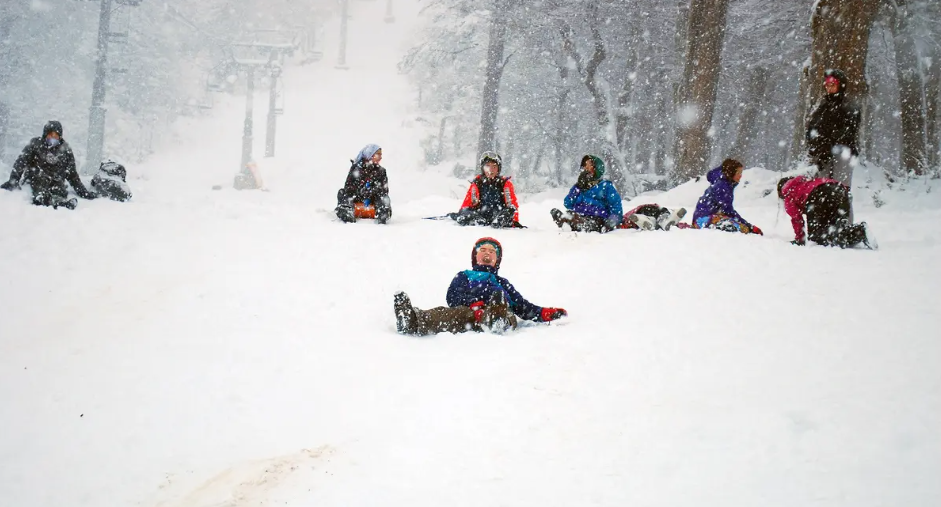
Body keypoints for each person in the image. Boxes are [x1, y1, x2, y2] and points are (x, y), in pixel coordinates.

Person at [393, 237, 567, 336]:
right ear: (475, 257)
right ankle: (412, 320)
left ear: (496, 260)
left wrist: (543, 313)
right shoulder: (464, 275)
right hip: (468, 314)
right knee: (449, 313)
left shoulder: (502, 282)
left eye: (492, 252)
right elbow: (452, 297)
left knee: (502, 307)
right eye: (483, 250)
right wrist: (474, 304)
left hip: (498, 312)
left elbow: (521, 306)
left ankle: (497, 321)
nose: (487, 253)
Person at [1, 120, 97, 209]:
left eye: (56, 136)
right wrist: (13, 180)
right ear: (45, 135)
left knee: (59, 189)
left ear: (60, 137)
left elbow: (72, 175)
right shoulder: (35, 144)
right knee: (40, 179)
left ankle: (59, 202)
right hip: (36, 176)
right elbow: (21, 162)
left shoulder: (65, 150)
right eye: (50, 135)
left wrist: (84, 192)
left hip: (56, 179)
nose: (53, 138)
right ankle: (41, 198)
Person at [777, 175, 875, 249]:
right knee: (835, 229)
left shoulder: (788, 194)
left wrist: (800, 239)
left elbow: (796, 218)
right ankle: (859, 231)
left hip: (817, 195)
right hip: (840, 190)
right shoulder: (806, 182)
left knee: (816, 237)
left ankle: (858, 232)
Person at [806, 69, 860, 187]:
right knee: (821, 189)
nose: (829, 88)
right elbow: (812, 128)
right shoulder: (822, 107)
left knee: (840, 189)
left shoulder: (849, 106)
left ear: (840, 85)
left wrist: (829, 140)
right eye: (827, 85)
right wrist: (816, 144)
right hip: (823, 155)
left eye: (832, 85)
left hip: (842, 153)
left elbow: (848, 131)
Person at [550, 154, 623, 232]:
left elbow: (616, 208)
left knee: (588, 222)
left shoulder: (606, 186)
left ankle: (573, 223)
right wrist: (578, 187)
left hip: (597, 218)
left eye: (589, 165)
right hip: (578, 214)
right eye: (585, 166)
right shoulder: (579, 186)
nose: (586, 168)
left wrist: (610, 223)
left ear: (597, 169)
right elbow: (568, 203)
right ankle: (567, 220)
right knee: (570, 213)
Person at [450, 152, 521, 228]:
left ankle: (497, 222)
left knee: (510, 210)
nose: (491, 170)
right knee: (464, 212)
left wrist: (514, 222)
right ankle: (478, 220)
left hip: (499, 216)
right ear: (483, 168)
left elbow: (512, 206)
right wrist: (466, 213)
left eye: (494, 167)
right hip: (480, 216)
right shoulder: (477, 183)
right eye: (487, 166)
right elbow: (466, 205)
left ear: (498, 169)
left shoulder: (504, 183)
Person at [692, 158, 762, 235]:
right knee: (739, 228)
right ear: (731, 173)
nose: (740, 176)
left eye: (741, 173)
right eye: (738, 173)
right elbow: (728, 211)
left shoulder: (723, 182)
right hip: (704, 220)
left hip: (701, 218)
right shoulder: (722, 187)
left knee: (738, 226)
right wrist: (749, 226)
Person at [336, 144, 391, 224]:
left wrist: (371, 191)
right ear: (370, 154)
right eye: (378, 154)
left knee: (384, 198)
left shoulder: (381, 171)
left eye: (381, 155)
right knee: (342, 193)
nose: (380, 157)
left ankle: (382, 214)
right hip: (356, 199)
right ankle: (347, 212)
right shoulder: (356, 168)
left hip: (373, 200)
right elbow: (348, 187)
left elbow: (384, 190)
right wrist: (360, 191)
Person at [623, 203, 688, 231]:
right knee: (663, 214)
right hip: (653, 209)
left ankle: (648, 221)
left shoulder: (624, 218)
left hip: (640, 212)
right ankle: (664, 220)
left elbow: (624, 220)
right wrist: (686, 226)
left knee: (651, 218)